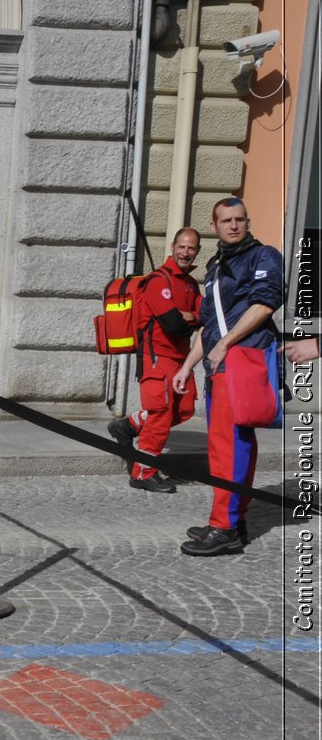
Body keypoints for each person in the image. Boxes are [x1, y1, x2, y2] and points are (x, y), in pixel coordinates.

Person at [172, 198, 285, 556]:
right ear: (215, 225)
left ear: (247, 222)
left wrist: (225, 344)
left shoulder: (264, 256)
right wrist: (187, 365)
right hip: (220, 363)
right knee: (225, 447)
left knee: (232, 447)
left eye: (239, 219)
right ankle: (231, 520)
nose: (233, 225)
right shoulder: (216, 265)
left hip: (244, 358)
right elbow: (208, 323)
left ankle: (226, 528)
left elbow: (265, 304)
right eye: (226, 220)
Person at [107, 227, 204, 493]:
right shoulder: (158, 281)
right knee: (160, 415)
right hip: (156, 357)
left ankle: (128, 425)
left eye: (191, 248)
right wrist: (188, 317)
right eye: (182, 247)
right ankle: (142, 474)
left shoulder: (190, 283)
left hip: (180, 359)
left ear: (197, 251)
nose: (186, 252)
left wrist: (189, 317)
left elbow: (203, 317)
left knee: (183, 410)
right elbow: (173, 324)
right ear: (172, 247)